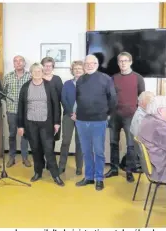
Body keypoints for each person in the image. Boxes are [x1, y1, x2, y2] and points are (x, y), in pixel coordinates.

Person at [17, 63, 64, 186]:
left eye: (39, 71)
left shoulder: (49, 86)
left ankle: (55, 175)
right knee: (36, 149)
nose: (37, 73)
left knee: (48, 149)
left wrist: (57, 123)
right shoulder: (25, 87)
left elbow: (56, 105)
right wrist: (20, 125)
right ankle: (38, 172)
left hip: (46, 123)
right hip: (30, 123)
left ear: (42, 72)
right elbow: (21, 107)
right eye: (34, 71)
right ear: (31, 73)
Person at [75, 55, 117, 191]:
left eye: (93, 63)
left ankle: (99, 178)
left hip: (98, 120)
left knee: (98, 151)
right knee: (86, 152)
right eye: (87, 63)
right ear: (84, 65)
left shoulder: (106, 78)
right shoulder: (80, 80)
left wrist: (107, 114)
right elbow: (78, 98)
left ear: (97, 64)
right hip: (81, 121)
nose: (89, 65)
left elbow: (113, 99)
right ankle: (89, 177)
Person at [105, 52, 145, 183]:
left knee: (130, 145)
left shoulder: (138, 78)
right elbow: (109, 97)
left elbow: (142, 98)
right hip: (115, 115)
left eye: (126, 61)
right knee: (113, 143)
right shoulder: (113, 78)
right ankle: (114, 169)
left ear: (131, 62)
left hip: (131, 116)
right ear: (118, 63)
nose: (123, 63)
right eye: (121, 61)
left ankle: (129, 171)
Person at [3, 55, 31, 168]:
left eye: (20, 61)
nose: (18, 63)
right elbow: (3, 93)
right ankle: (12, 157)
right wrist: (10, 102)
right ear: (13, 64)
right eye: (16, 61)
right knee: (12, 134)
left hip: (26, 112)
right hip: (12, 111)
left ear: (24, 63)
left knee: (25, 135)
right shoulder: (8, 76)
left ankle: (25, 157)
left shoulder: (30, 76)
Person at [59, 60, 84, 175]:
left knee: (80, 143)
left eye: (80, 68)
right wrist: (71, 113)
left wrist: (79, 114)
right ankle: (61, 165)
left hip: (82, 117)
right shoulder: (67, 84)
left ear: (83, 70)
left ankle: (79, 167)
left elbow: (89, 101)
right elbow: (63, 99)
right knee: (65, 141)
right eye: (75, 69)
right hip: (68, 116)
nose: (77, 70)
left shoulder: (87, 84)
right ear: (72, 71)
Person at [138, 96, 166, 183]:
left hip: (155, 166)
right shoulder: (159, 127)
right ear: (160, 110)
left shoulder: (147, 119)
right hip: (162, 170)